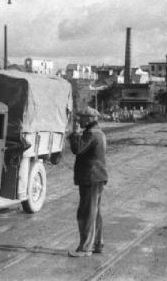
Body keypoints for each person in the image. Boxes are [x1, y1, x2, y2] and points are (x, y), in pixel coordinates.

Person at [68, 106, 108, 257]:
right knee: (95, 213)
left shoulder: (91, 134)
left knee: (86, 214)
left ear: (89, 119)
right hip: (97, 177)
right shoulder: (98, 132)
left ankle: (85, 248)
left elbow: (77, 149)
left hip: (91, 178)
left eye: (81, 118)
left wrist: (75, 133)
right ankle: (98, 244)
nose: (79, 120)